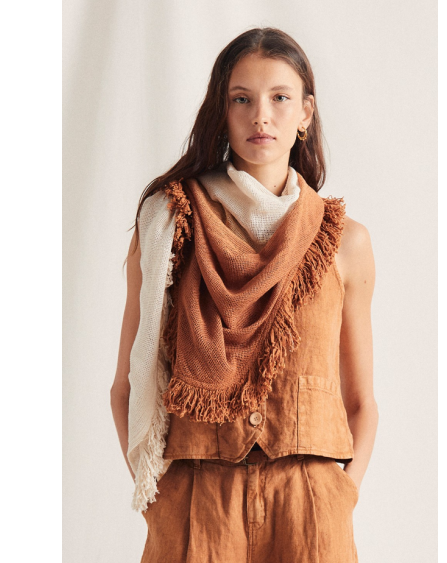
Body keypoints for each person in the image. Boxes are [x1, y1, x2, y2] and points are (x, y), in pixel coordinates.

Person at [110, 27, 378, 563]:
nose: (261, 117)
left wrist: (339, 497)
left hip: (310, 510)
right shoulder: (171, 226)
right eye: (242, 99)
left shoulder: (344, 241)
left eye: (279, 98)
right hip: (196, 504)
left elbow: (361, 402)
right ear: (222, 111)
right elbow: (127, 386)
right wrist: (162, 502)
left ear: (305, 113)